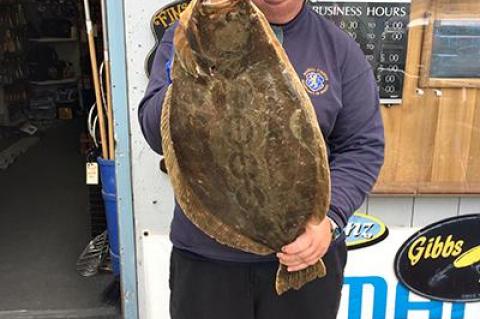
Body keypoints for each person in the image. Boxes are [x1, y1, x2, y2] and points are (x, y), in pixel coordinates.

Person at [138, 0, 384, 318]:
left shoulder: (338, 49)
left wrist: (330, 219)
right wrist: (186, 68)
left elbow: (362, 146)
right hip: (208, 260)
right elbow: (154, 133)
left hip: (305, 256)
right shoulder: (186, 35)